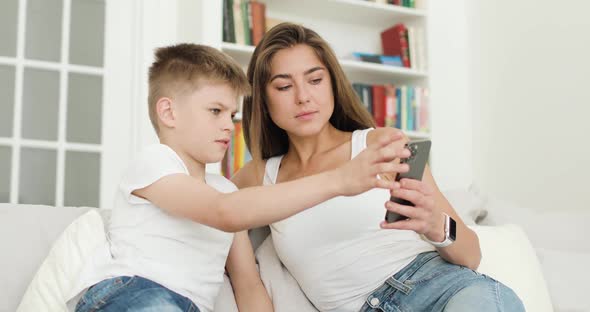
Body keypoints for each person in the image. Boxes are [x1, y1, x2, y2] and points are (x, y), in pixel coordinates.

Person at [66, 43, 408, 312]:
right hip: (134, 291)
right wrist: (339, 180)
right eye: (215, 111)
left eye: (231, 114)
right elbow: (225, 212)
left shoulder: (225, 187)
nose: (229, 125)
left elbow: (248, 284)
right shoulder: (154, 163)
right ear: (168, 112)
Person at [232, 23, 525, 312]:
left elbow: (471, 255)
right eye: (284, 86)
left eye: (315, 80)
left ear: (333, 83)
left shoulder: (380, 144)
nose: (303, 96)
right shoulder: (259, 176)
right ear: (263, 99)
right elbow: (210, 208)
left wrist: (435, 224)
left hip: (440, 287)